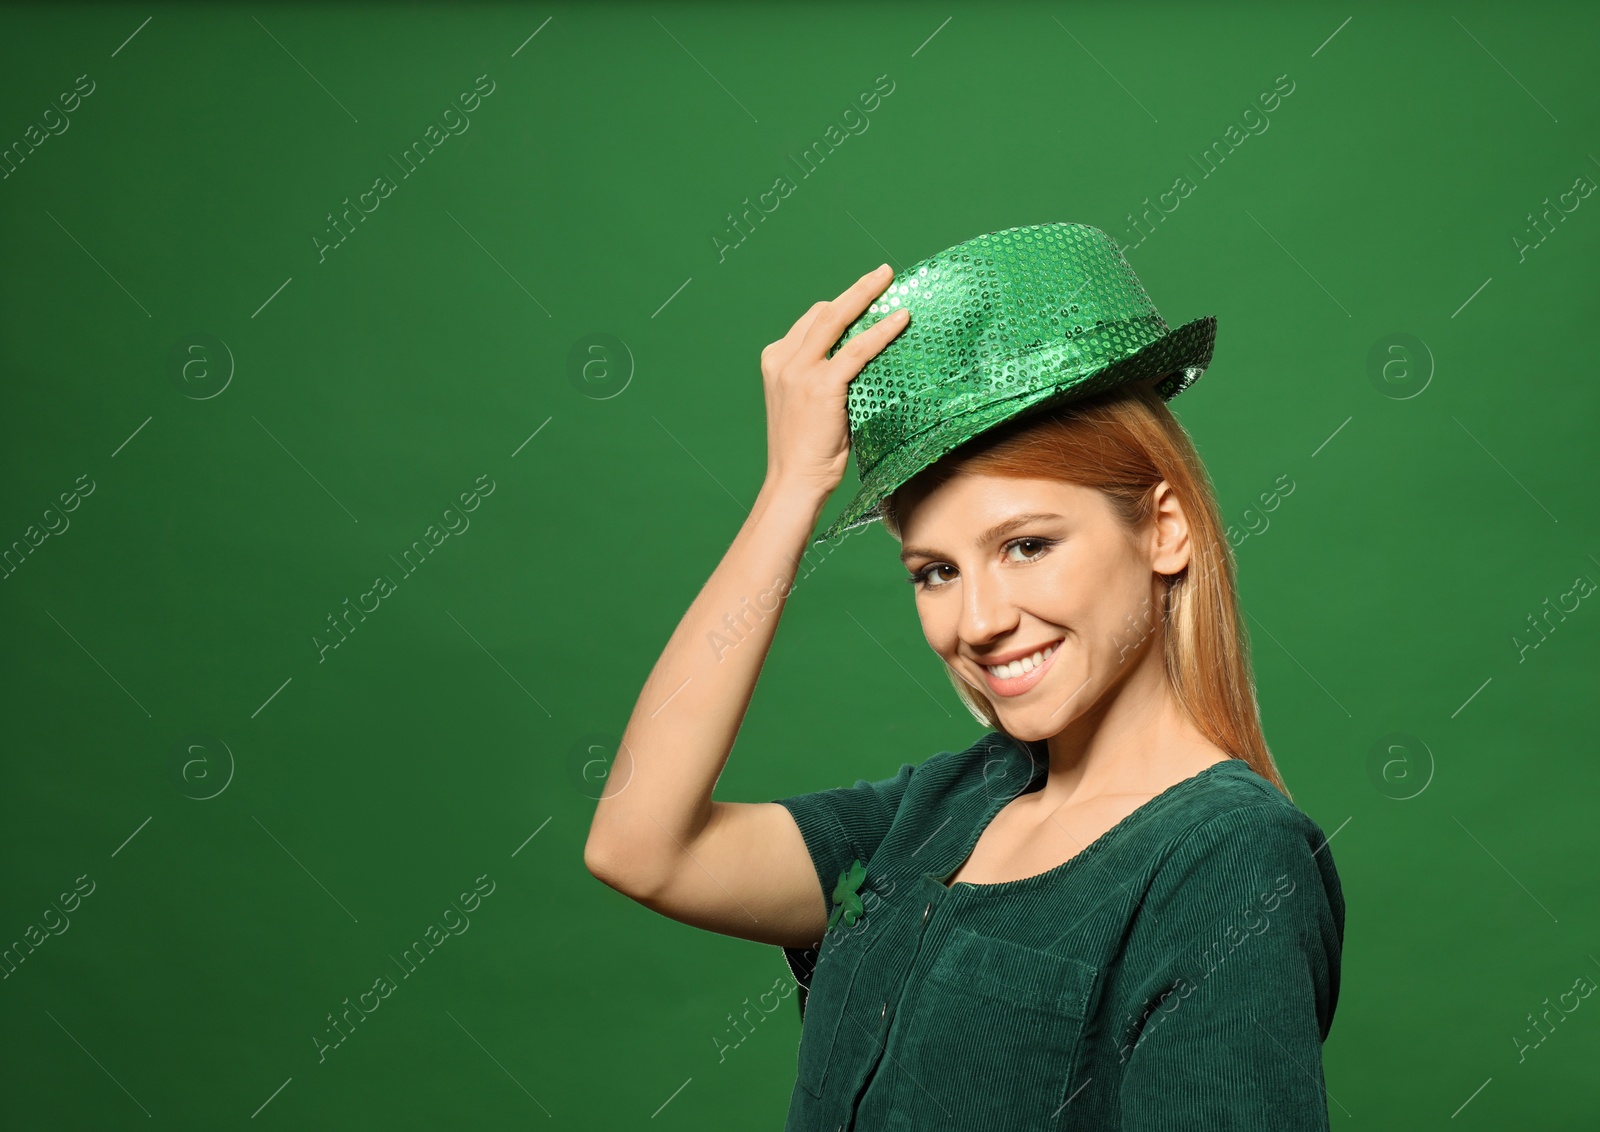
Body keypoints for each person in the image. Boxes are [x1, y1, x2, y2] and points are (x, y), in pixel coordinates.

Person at [584, 223, 1345, 1130]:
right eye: (935, 571)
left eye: (1026, 545)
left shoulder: (1226, 857)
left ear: (1165, 528)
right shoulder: (932, 814)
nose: (977, 621)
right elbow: (639, 846)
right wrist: (791, 489)